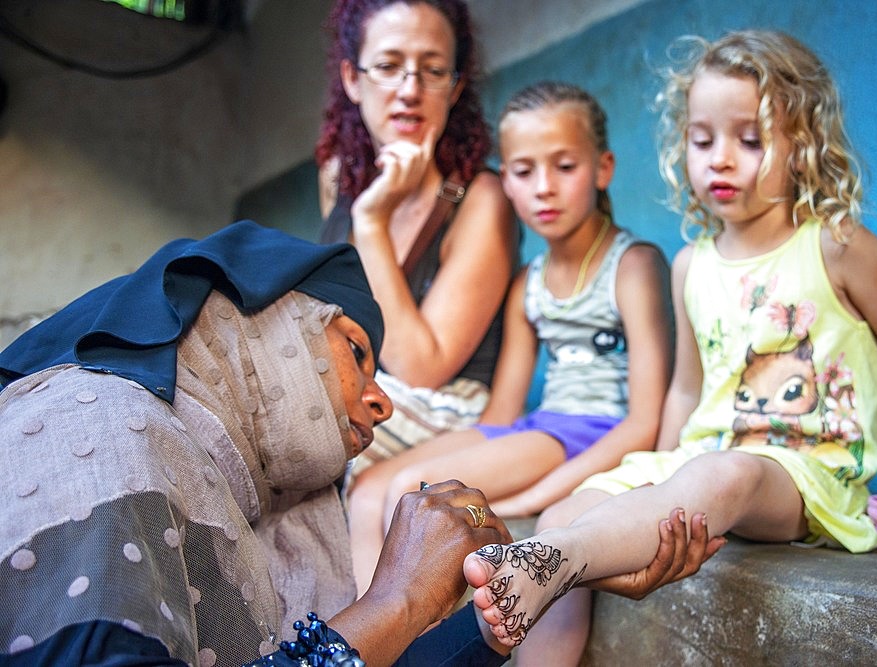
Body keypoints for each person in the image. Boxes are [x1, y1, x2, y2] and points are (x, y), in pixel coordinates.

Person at [0, 221, 717, 667]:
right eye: (356, 352)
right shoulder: (86, 425)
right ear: (264, 328)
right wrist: (394, 602)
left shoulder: (241, 493)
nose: (383, 400)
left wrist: (523, 596)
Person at [463, 30, 877, 663]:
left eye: (749, 140)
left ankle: (557, 561)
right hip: (699, 457)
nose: (720, 159)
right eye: (701, 139)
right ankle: (552, 581)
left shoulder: (838, 246)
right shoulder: (692, 264)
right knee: (564, 511)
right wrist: (652, 482)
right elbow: (687, 387)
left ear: (802, 146)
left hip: (802, 474)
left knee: (727, 473)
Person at [347, 81, 673, 594]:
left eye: (564, 167)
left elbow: (646, 422)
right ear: (507, 183)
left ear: (602, 168)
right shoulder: (529, 282)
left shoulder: (634, 265)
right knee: (369, 487)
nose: (543, 187)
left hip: (589, 431)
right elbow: (501, 416)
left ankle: (416, 645)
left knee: (412, 492)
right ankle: (368, 645)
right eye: (523, 171)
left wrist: (529, 498)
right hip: (533, 428)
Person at [314, 0, 519, 488]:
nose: (410, 90)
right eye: (387, 67)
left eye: (432, 71)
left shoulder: (482, 199)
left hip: (447, 409)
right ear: (352, 78)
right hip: (355, 390)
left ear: (455, 88)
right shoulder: (335, 179)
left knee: (306, 422)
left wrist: (372, 220)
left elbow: (422, 367)